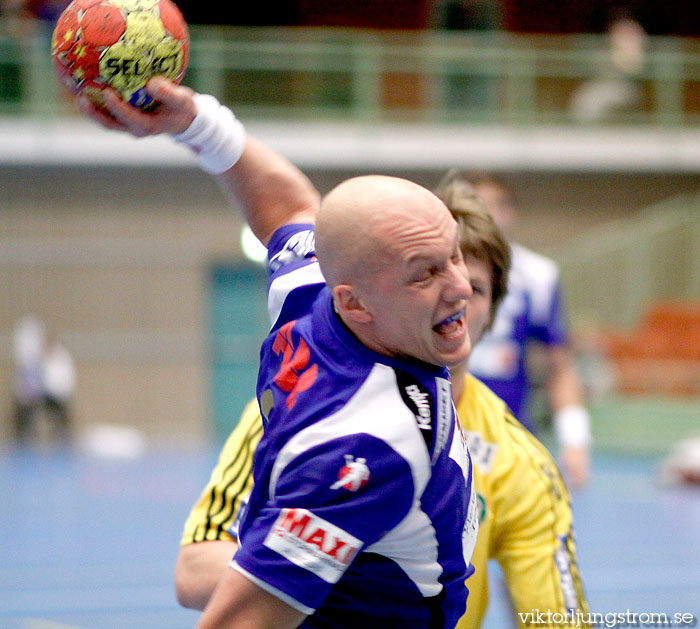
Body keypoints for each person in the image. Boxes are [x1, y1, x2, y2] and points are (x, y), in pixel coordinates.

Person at [78, 78, 479, 629]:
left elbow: (289, 205)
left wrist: (194, 122)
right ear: (355, 304)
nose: (461, 288)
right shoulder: (370, 444)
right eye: (425, 273)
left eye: (454, 255)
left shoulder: (313, 289)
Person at [175, 179, 589, 627]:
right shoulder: (309, 413)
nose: (454, 295)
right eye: (423, 277)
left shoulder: (522, 466)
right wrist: (328, 567)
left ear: (494, 307)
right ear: (366, 300)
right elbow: (193, 572)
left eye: (473, 285)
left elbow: (556, 618)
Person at [447, 171, 592, 489]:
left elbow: (560, 367)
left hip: (505, 432)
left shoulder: (538, 275)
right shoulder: (430, 266)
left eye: (496, 205)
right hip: (437, 421)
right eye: (477, 203)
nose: (487, 213)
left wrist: (575, 439)